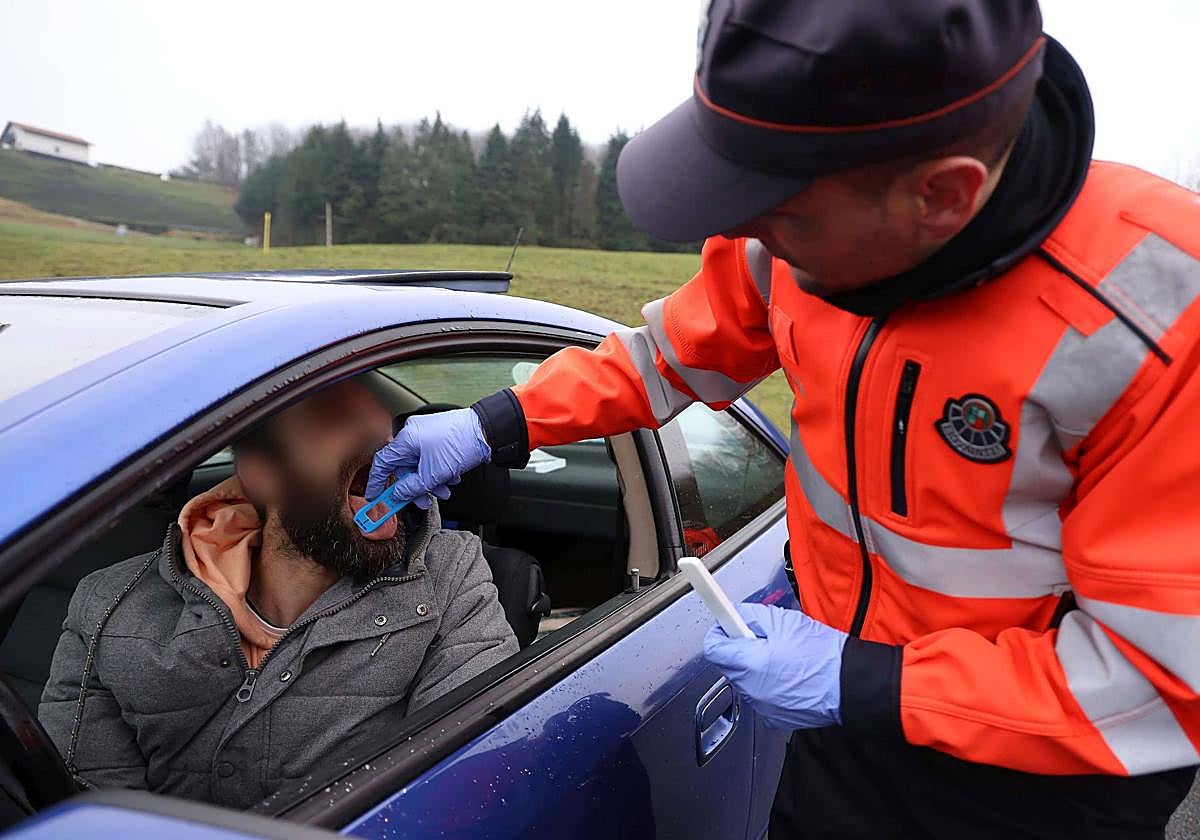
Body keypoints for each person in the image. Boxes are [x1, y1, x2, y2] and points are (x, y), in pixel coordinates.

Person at [367, 1, 1200, 836]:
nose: (739, 230)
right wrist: (493, 422)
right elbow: (667, 359)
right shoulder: (795, 228)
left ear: (942, 195)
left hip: (1047, 777)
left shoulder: (1163, 321)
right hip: (842, 726)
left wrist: (863, 682)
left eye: (774, 209)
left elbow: (1163, 682)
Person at [39, 380, 518, 810]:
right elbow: (91, 810)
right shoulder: (108, 605)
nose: (382, 434)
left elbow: (465, 782)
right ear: (262, 472)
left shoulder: (448, 576)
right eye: (334, 416)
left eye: (384, 420)